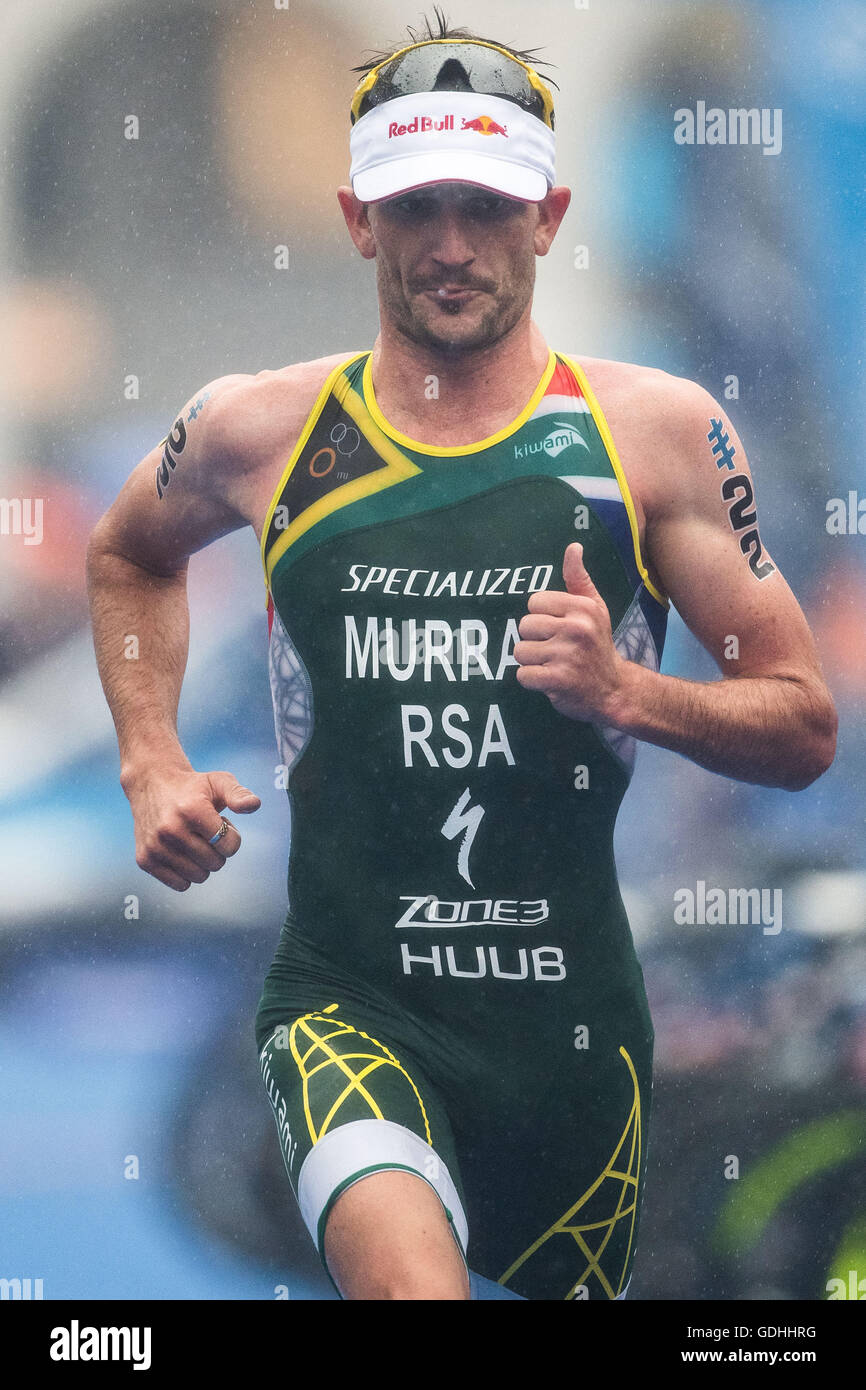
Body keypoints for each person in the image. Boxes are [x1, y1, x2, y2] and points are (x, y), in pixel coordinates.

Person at [86, 16, 837, 1301]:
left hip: (572, 1027)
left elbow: (801, 728)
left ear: (545, 215)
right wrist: (151, 758)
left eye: (483, 208)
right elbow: (125, 554)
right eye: (413, 204)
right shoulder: (251, 428)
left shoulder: (657, 437)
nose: (448, 246)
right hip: (349, 1001)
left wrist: (624, 691)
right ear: (353, 217)